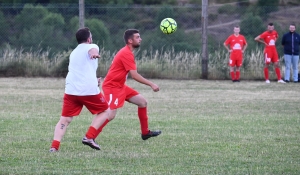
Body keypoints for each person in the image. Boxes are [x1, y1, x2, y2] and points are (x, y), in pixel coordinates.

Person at [49, 27, 109, 152]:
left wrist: (94, 80)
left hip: (71, 90)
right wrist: (94, 53)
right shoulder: (92, 46)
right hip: (87, 90)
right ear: (89, 39)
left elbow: (82, 70)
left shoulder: (74, 52)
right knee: (105, 112)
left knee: (65, 119)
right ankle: (89, 137)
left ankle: (54, 147)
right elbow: (91, 50)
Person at [95, 29, 161, 141]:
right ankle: (90, 137)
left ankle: (145, 133)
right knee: (109, 115)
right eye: (137, 37)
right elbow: (134, 75)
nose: (140, 39)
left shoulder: (127, 52)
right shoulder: (126, 54)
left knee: (142, 102)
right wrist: (151, 84)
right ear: (130, 40)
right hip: (112, 87)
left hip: (120, 86)